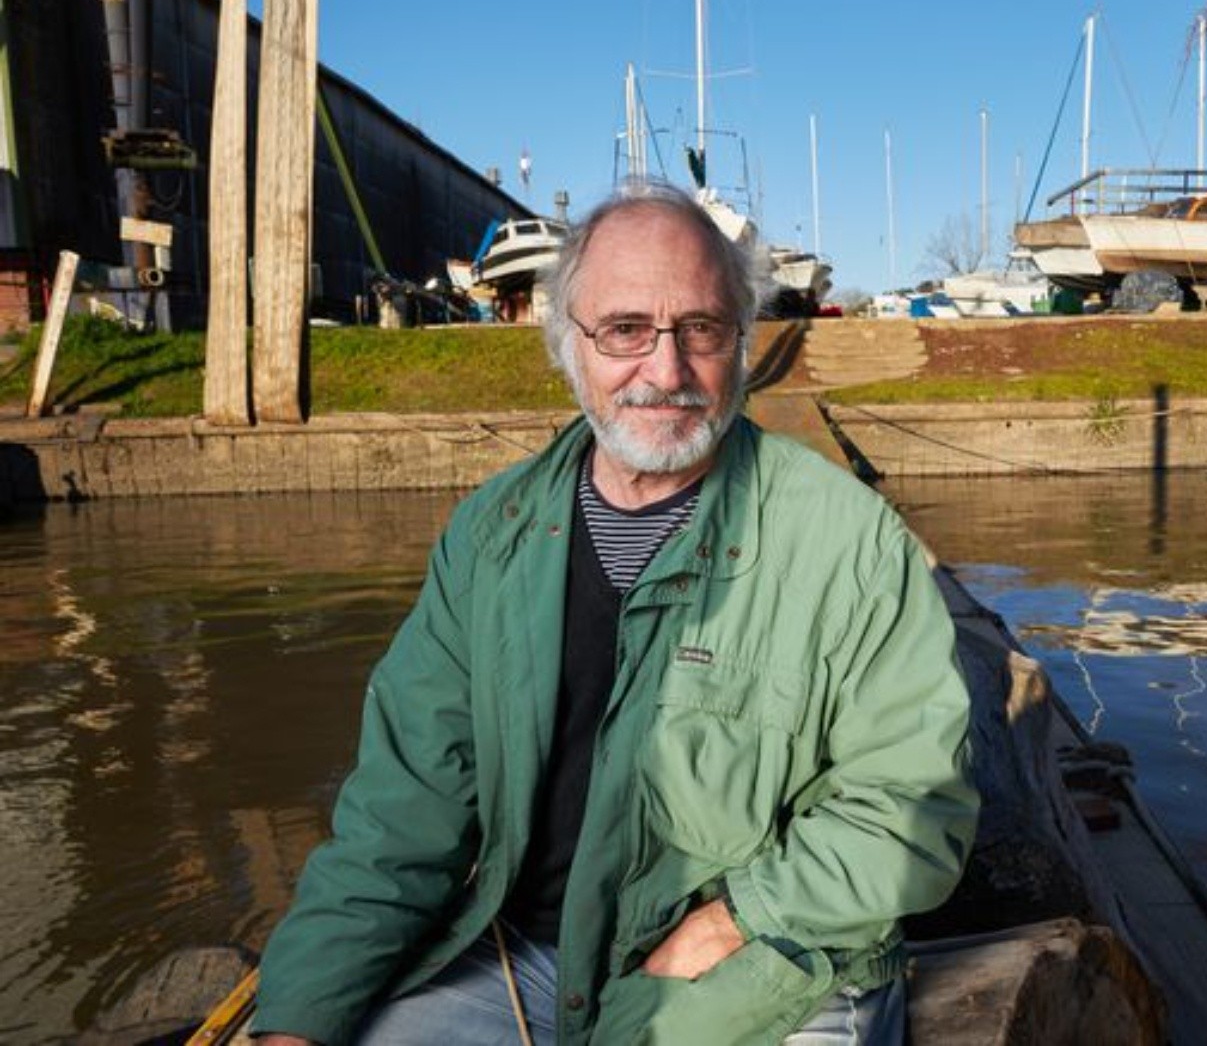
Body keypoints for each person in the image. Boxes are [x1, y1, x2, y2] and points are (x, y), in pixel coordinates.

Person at [250, 182, 978, 1045]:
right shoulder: (491, 535)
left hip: (769, 961)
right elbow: (400, 816)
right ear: (569, 345)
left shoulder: (849, 541)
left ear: (741, 344)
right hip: (524, 962)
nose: (665, 372)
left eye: (701, 330)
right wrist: (296, 1016)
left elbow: (914, 807)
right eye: (626, 330)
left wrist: (736, 916)